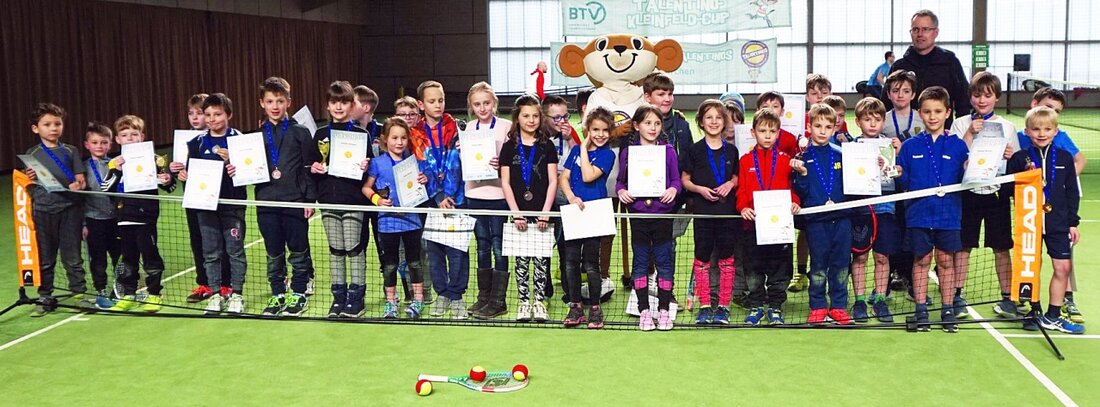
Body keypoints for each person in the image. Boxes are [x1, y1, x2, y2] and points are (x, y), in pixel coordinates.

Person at [894, 86, 969, 333]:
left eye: (938, 111)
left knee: (946, 261)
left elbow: (968, 178)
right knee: (921, 260)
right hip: (918, 214)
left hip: (949, 215)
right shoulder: (909, 146)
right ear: (920, 113)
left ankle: (948, 308)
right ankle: (921, 310)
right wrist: (898, 174)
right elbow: (903, 183)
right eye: (927, 112)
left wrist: (975, 167)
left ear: (948, 112)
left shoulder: (959, 146)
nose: (932, 116)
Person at [1005, 106, 1084, 334]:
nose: (1041, 133)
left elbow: (1071, 192)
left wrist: (1073, 222)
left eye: (1047, 129)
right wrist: (1026, 184)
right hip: (1029, 223)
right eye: (1036, 129)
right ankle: (1033, 310)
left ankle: (1053, 315)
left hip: (1058, 224)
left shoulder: (1065, 158)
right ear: (1027, 132)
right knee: (1030, 267)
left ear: (1055, 131)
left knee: (1063, 267)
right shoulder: (1021, 158)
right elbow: (1010, 189)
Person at [949, 71, 1018, 321]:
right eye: (977, 95)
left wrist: (1012, 156)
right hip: (967, 193)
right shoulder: (959, 124)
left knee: (1001, 247)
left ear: (996, 98)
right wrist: (969, 132)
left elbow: (1017, 163)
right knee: (963, 246)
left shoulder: (1008, 127)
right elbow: (955, 158)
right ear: (970, 97)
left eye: (987, 96)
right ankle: (957, 295)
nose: (981, 100)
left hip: (996, 194)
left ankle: (1008, 297)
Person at [252, 77, 318, 317]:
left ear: (289, 102)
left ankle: (298, 293)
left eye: (280, 100)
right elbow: (251, 170)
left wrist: (309, 200)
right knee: (273, 252)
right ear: (262, 103)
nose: (275, 106)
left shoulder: (300, 132)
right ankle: (278, 293)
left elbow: (310, 167)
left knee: (298, 251)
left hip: (294, 201)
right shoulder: (256, 136)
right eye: (270, 101)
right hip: (266, 203)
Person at [177, 93, 248, 315]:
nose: (211, 119)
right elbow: (191, 171)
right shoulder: (196, 142)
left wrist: (233, 162)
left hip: (232, 205)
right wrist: (184, 175)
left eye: (217, 114)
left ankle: (236, 294)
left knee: (235, 251)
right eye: (207, 115)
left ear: (229, 115)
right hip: (205, 207)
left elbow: (250, 173)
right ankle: (216, 295)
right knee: (211, 252)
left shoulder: (240, 141)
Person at [490, 95, 558, 320]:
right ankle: (523, 302)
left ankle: (539, 302)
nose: (531, 120)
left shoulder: (547, 145)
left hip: (542, 214)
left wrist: (546, 212)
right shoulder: (509, 147)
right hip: (518, 214)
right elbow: (505, 182)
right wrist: (515, 213)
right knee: (521, 260)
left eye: (535, 116)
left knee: (541, 259)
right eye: (526, 116)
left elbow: (553, 181)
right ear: (517, 118)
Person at [309, 81, 372, 318]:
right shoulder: (320, 135)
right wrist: (313, 167)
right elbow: (311, 165)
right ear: (328, 105)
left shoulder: (361, 135)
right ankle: (339, 297)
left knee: (354, 248)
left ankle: (357, 297)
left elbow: (368, 172)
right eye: (334, 102)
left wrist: (366, 166)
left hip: (353, 201)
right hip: (328, 201)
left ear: (351, 105)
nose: (338, 106)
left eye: (344, 102)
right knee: (336, 250)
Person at [101, 115, 175, 313]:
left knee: (150, 257)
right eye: (125, 135)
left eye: (134, 134)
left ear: (142, 136)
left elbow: (169, 185)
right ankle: (128, 294)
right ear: (117, 139)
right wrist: (116, 171)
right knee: (128, 258)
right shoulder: (114, 163)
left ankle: (154, 295)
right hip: (124, 218)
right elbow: (105, 189)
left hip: (146, 218)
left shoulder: (155, 159)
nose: (130, 138)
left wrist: (166, 179)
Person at [617, 105, 681, 331]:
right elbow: (620, 182)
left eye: (656, 123)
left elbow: (676, 181)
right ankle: (644, 311)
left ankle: (664, 311)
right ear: (636, 126)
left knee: (665, 263)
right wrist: (621, 192)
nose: (652, 128)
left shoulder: (669, 151)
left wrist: (673, 190)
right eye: (647, 123)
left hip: (663, 217)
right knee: (641, 263)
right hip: (639, 217)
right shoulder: (628, 153)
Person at [410, 80, 469, 319]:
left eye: (441, 100)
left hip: (457, 199)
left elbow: (456, 163)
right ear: (421, 104)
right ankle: (441, 294)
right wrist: (438, 196)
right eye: (432, 101)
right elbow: (422, 167)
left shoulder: (457, 128)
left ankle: (456, 296)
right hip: (431, 202)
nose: (438, 105)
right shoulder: (415, 134)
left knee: (458, 251)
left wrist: (450, 196)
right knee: (434, 251)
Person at [22, 103, 88, 316]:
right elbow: (29, 185)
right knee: (46, 258)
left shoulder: (71, 151)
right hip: (43, 212)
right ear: (35, 128)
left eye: (57, 124)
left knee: (73, 257)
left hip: (70, 210)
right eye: (47, 124)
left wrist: (77, 186)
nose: (53, 128)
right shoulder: (32, 154)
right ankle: (45, 297)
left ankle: (79, 295)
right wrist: (28, 178)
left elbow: (81, 181)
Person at [737, 109, 801, 326]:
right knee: (753, 270)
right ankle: (756, 306)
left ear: (778, 133)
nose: (767, 135)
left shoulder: (786, 161)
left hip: (779, 227)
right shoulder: (745, 161)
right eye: (762, 130)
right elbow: (742, 190)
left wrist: (795, 201)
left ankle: (775, 307)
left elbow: (791, 188)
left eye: (772, 131)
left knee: (779, 270)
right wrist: (743, 207)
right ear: (753, 132)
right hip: (752, 227)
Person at [362, 117, 429, 319]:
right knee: (390, 264)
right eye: (394, 138)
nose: (399, 142)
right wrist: (377, 200)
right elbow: (366, 187)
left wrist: (423, 180)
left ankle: (418, 300)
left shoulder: (413, 162)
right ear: (385, 139)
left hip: (412, 221)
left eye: (403, 138)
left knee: (414, 263)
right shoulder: (377, 163)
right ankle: (391, 302)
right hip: (387, 223)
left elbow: (420, 187)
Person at [794, 104, 853, 325]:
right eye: (817, 126)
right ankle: (817, 306)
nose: (822, 130)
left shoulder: (844, 154)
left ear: (834, 128)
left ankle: (838, 306)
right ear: (809, 127)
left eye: (828, 127)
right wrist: (801, 174)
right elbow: (801, 192)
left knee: (840, 265)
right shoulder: (803, 157)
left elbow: (854, 185)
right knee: (818, 266)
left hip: (842, 220)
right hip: (816, 221)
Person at [681, 99, 738, 325]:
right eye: (709, 117)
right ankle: (704, 305)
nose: (714, 122)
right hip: (703, 214)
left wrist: (730, 185)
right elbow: (685, 180)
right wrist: (700, 190)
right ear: (701, 122)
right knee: (702, 259)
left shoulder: (732, 151)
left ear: (724, 122)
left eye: (718, 117)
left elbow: (736, 176)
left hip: (727, 214)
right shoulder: (694, 151)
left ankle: (723, 306)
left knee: (726, 259)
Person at [560, 107, 617, 329]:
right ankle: (575, 306)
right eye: (595, 130)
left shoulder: (607, 155)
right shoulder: (574, 152)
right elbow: (564, 178)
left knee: (591, 264)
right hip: (574, 212)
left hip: (595, 213)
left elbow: (587, 175)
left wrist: (583, 146)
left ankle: (594, 308)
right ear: (588, 129)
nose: (600, 134)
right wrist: (572, 197)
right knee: (571, 262)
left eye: (604, 130)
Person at [849, 97, 901, 323]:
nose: (872, 124)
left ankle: (880, 299)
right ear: (858, 122)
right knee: (859, 257)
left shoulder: (889, 146)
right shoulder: (850, 148)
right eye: (867, 119)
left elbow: (893, 177)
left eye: (877, 120)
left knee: (882, 257)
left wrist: (891, 167)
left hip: (885, 208)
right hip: (860, 210)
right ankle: (859, 300)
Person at [464, 82, 512, 316]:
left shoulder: (506, 127)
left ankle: (498, 301)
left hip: (499, 196)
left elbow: (514, 159)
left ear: (494, 103)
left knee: (498, 247)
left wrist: (500, 162)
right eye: (477, 104)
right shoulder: (468, 129)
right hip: (474, 195)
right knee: (482, 247)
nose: (482, 108)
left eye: (486, 103)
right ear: (472, 107)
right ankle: (483, 297)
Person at [890, 9, 970, 125]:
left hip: (942, 135)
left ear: (936, 32)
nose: (920, 34)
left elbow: (963, 101)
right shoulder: (900, 66)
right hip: (905, 137)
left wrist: (959, 131)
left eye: (925, 29)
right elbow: (886, 103)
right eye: (915, 29)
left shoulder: (950, 62)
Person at [81, 122, 122, 309]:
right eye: (95, 142)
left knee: (119, 256)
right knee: (98, 259)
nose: (99, 146)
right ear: (87, 145)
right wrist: (83, 223)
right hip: (94, 220)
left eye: (104, 142)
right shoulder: (82, 169)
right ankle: (101, 290)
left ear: (110, 144)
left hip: (116, 220)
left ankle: (121, 287)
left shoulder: (116, 165)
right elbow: (79, 199)